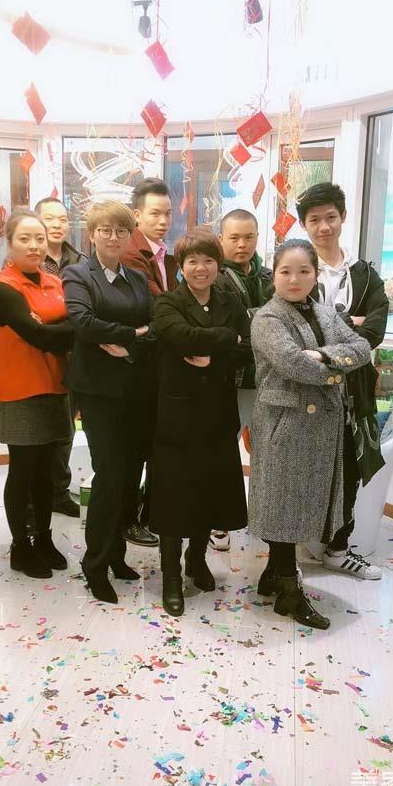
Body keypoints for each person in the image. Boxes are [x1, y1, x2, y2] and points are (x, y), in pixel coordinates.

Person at [249, 239, 372, 630]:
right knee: (284, 504)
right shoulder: (268, 318)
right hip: (285, 423)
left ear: (315, 275)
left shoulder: (323, 311)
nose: (294, 279)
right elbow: (291, 364)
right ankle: (289, 591)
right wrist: (336, 371)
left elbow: (362, 347)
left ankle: (273, 574)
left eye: (303, 271)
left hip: (320, 424)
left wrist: (322, 355)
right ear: (273, 276)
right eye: (285, 271)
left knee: (297, 501)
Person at [149, 228, 251, 617]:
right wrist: (225, 338)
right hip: (178, 414)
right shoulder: (167, 303)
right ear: (181, 265)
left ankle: (196, 559)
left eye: (209, 260)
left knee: (208, 489)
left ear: (218, 265)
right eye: (192, 261)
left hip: (218, 412)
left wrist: (214, 351)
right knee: (175, 494)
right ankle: (171, 576)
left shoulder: (229, 300)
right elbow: (178, 335)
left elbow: (246, 348)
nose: (201, 268)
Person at [63, 200, 157, 604]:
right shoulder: (77, 274)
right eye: (106, 230)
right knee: (109, 475)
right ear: (92, 235)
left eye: (121, 231)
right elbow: (82, 322)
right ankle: (95, 564)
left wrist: (126, 342)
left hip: (137, 387)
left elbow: (156, 326)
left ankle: (117, 555)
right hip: (99, 392)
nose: (114, 237)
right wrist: (133, 333)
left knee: (130, 474)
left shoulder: (136, 278)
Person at [297, 183, 388, 580]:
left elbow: (376, 327)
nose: (324, 227)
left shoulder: (365, 275)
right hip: (307, 389)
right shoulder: (297, 269)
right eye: (314, 219)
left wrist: (330, 343)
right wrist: (351, 324)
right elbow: (294, 330)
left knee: (350, 468)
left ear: (342, 218)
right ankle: (293, 552)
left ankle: (337, 548)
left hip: (354, 389)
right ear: (304, 224)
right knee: (302, 468)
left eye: (330, 217)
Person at [0, 209, 73, 580]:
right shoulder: (2, 289)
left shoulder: (54, 282)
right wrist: (65, 329)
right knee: (22, 471)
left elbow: (57, 329)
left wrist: (54, 328)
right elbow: (37, 335)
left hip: (56, 386)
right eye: (24, 239)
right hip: (20, 390)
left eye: (40, 238)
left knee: (46, 473)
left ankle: (44, 539)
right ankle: (20, 546)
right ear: (9, 243)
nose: (34, 245)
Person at [119, 178, 177, 547]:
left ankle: (149, 512)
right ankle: (129, 519)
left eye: (168, 213)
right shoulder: (131, 254)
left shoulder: (164, 254)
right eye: (155, 213)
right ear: (137, 215)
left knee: (154, 446)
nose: (163, 221)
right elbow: (161, 308)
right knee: (135, 450)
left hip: (158, 367)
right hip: (137, 369)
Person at [211, 208, 272, 552]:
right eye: (234, 237)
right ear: (221, 239)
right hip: (230, 380)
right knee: (222, 450)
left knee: (268, 452)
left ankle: (263, 518)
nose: (242, 244)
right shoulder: (214, 277)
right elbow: (226, 331)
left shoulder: (270, 276)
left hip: (269, 380)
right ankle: (216, 521)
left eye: (249, 237)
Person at [33, 196, 85, 518]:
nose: (56, 225)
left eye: (62, 219)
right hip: (39, 357)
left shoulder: (80, 260)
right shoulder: (28, 261)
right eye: (49, 219)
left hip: (75, 358)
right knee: (39, 432)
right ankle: (35, 496)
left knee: (66, 429)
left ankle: (59, 492)